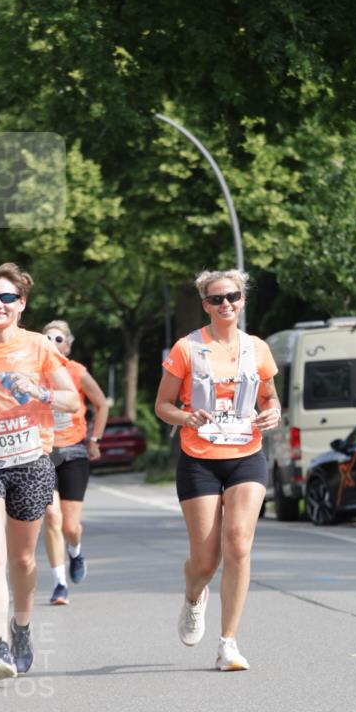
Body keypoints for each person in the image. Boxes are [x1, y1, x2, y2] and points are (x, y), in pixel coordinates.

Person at [0, 263, 79, 680]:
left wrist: (40, 391)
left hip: (30, 459)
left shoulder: (40, 346)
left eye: (7, 298)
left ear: (21, 304)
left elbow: (71, 400)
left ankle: (20, 627)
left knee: (22, 560)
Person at [155, 269, 280, 671]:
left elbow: (270, 397)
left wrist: (272, 413)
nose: (225, 304)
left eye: (233, 296)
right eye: (216, 299)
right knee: (206, 562)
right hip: (199, 459)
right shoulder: (186, 349)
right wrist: (187, 418)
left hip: (247, 454)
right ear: (205, 304)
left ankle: (228, 643)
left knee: (239, 543)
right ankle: (194, 597)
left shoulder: (257, 349)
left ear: (243, 299)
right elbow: (163, 405)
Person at [41, 319, 109, 604]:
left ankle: (76, 551)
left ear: (67, 345)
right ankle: (59, 583)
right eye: (46, 340)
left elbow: (101, 403)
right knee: (51, 517)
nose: (52, 344)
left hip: (73, 452)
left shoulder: (76, 371)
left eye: (58, 340)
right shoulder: (31, 373)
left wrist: (95, 439)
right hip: (41, 453)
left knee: (70, 526)